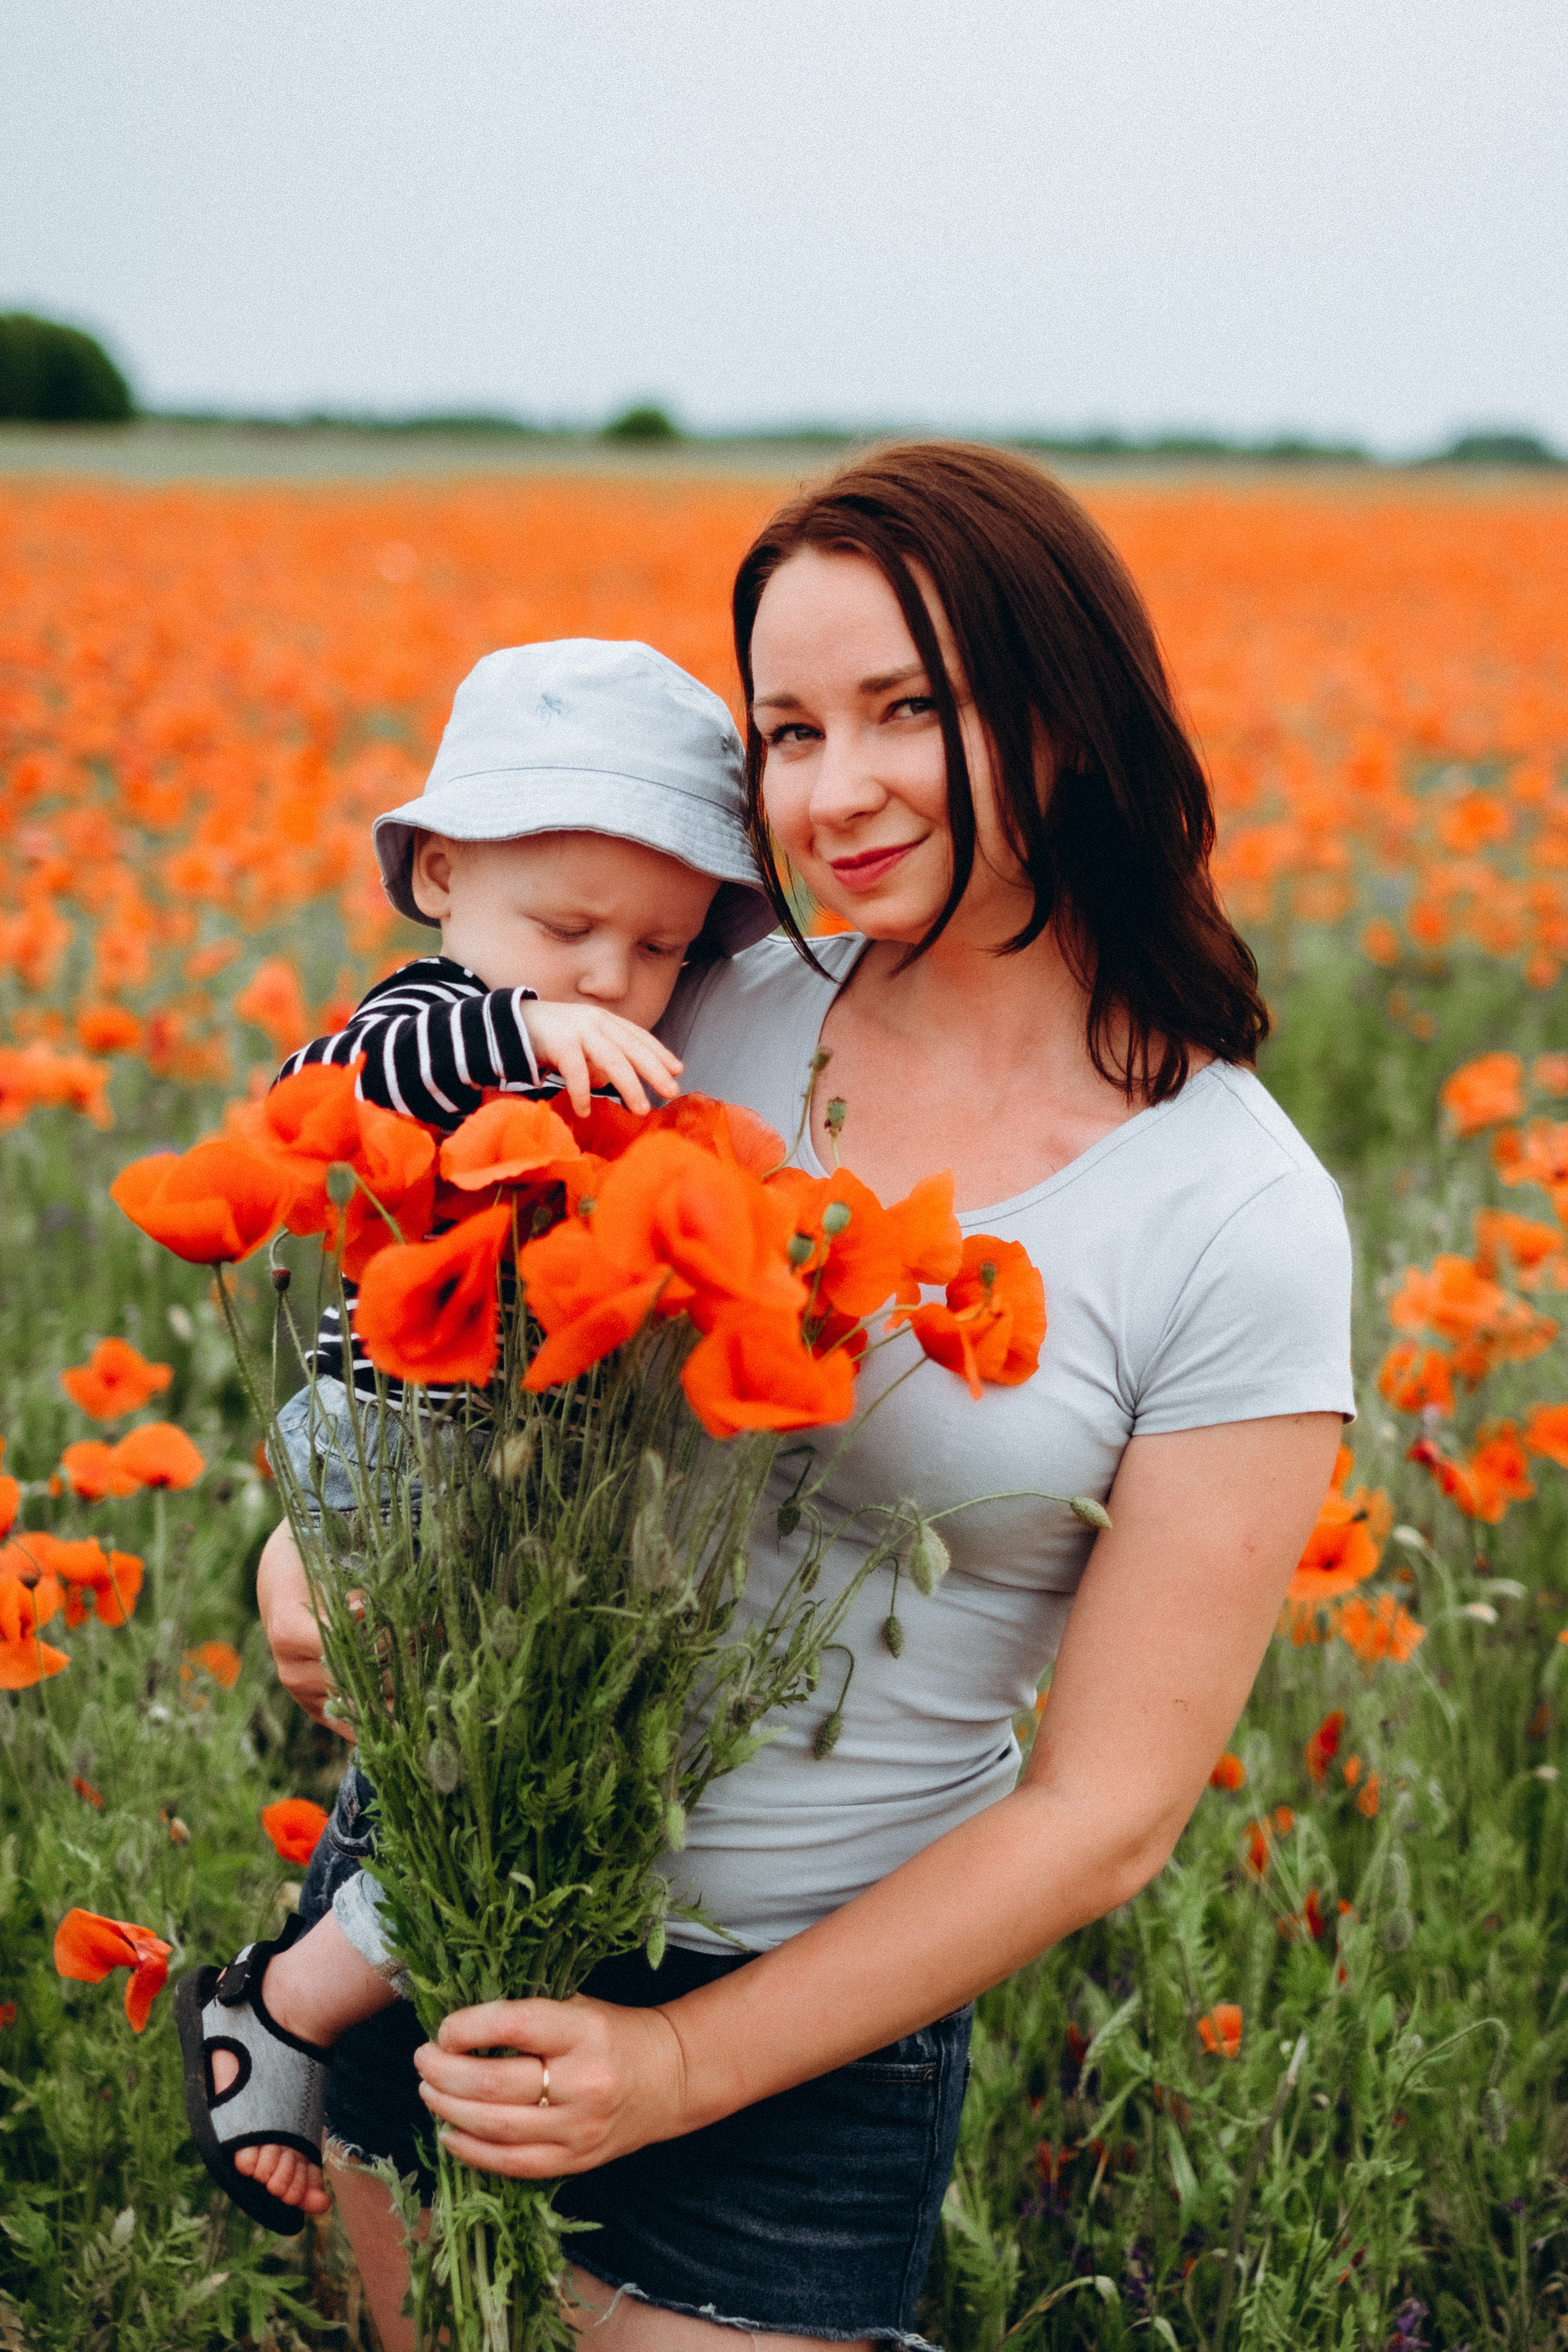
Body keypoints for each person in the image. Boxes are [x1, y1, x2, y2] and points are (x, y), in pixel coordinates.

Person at [257, 442, 1354, 2352]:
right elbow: (440, 1278)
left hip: (790, 2048)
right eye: (784, 733)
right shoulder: (702, 1001)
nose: (833, 793)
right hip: (454, 1895)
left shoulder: (1237, 1216)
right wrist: (313, 1545)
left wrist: (680, 2067)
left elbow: (1106, 1813)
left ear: (1061, 708)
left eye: (904, 711)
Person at [176, 638, 777, 2236]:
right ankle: (282, 2012)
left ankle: (319, 2008)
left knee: (506, 1779)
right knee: (455, 1774)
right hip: (386, 1447)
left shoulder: (618, 1041)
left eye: (658, 948)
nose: (608, 979)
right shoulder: (433, 1020)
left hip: (516, 1487)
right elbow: (344, 1069)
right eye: (565, 928)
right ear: (440, 874)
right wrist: (520, 1043)